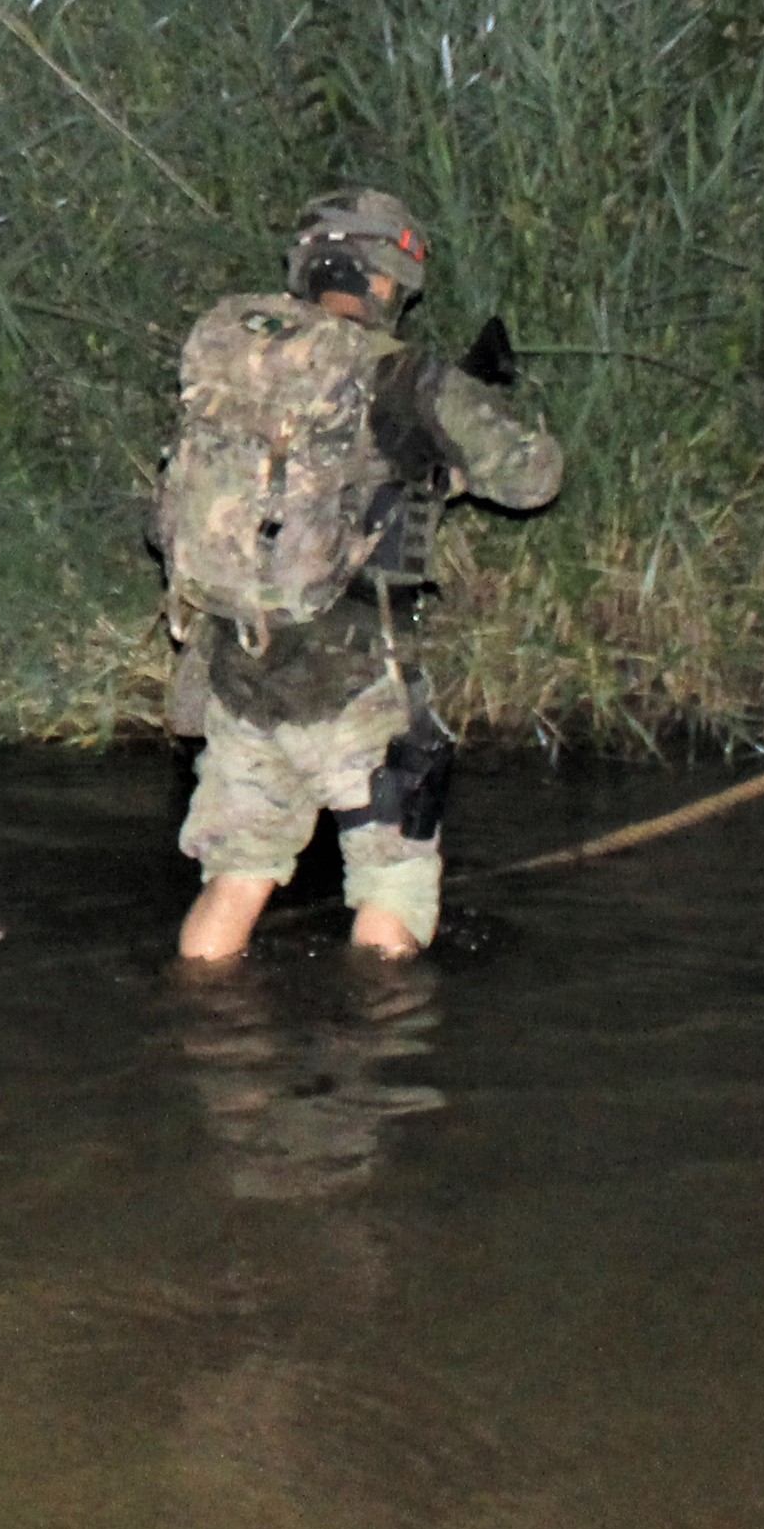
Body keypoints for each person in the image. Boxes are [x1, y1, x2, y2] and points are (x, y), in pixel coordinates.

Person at [161, 189, 563, 964]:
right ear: (391, 282)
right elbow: (534, 478)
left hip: (239, 662)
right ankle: (381, 1071)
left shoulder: (240, 360)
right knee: (392, 886)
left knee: (238, 877)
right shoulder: (400, 375)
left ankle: (205, 1054)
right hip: (353, 675)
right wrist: (455, 446)